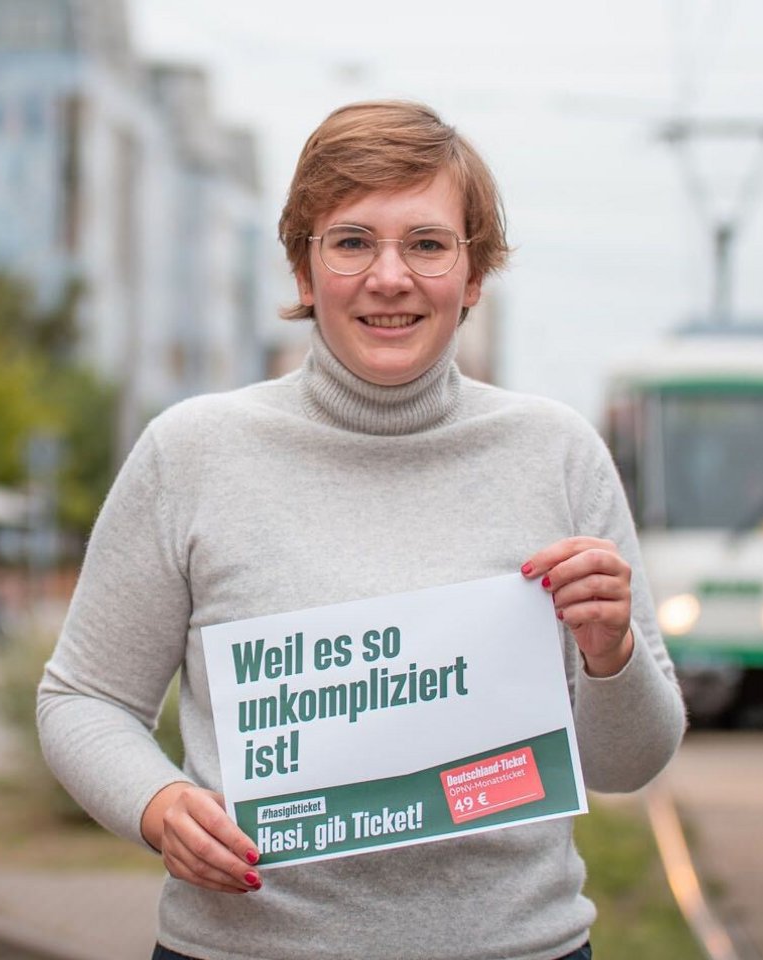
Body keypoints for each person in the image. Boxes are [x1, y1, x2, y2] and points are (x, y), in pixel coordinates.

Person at [37, 101, 686, 960]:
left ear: (475, 274)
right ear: (304, 274)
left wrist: (612, 654)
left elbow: (627, 763)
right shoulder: (191, 454)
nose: (390, 277)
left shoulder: (556, 454)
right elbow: (83, 698)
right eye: (350, 243)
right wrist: (155, 805)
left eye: (426, 243)